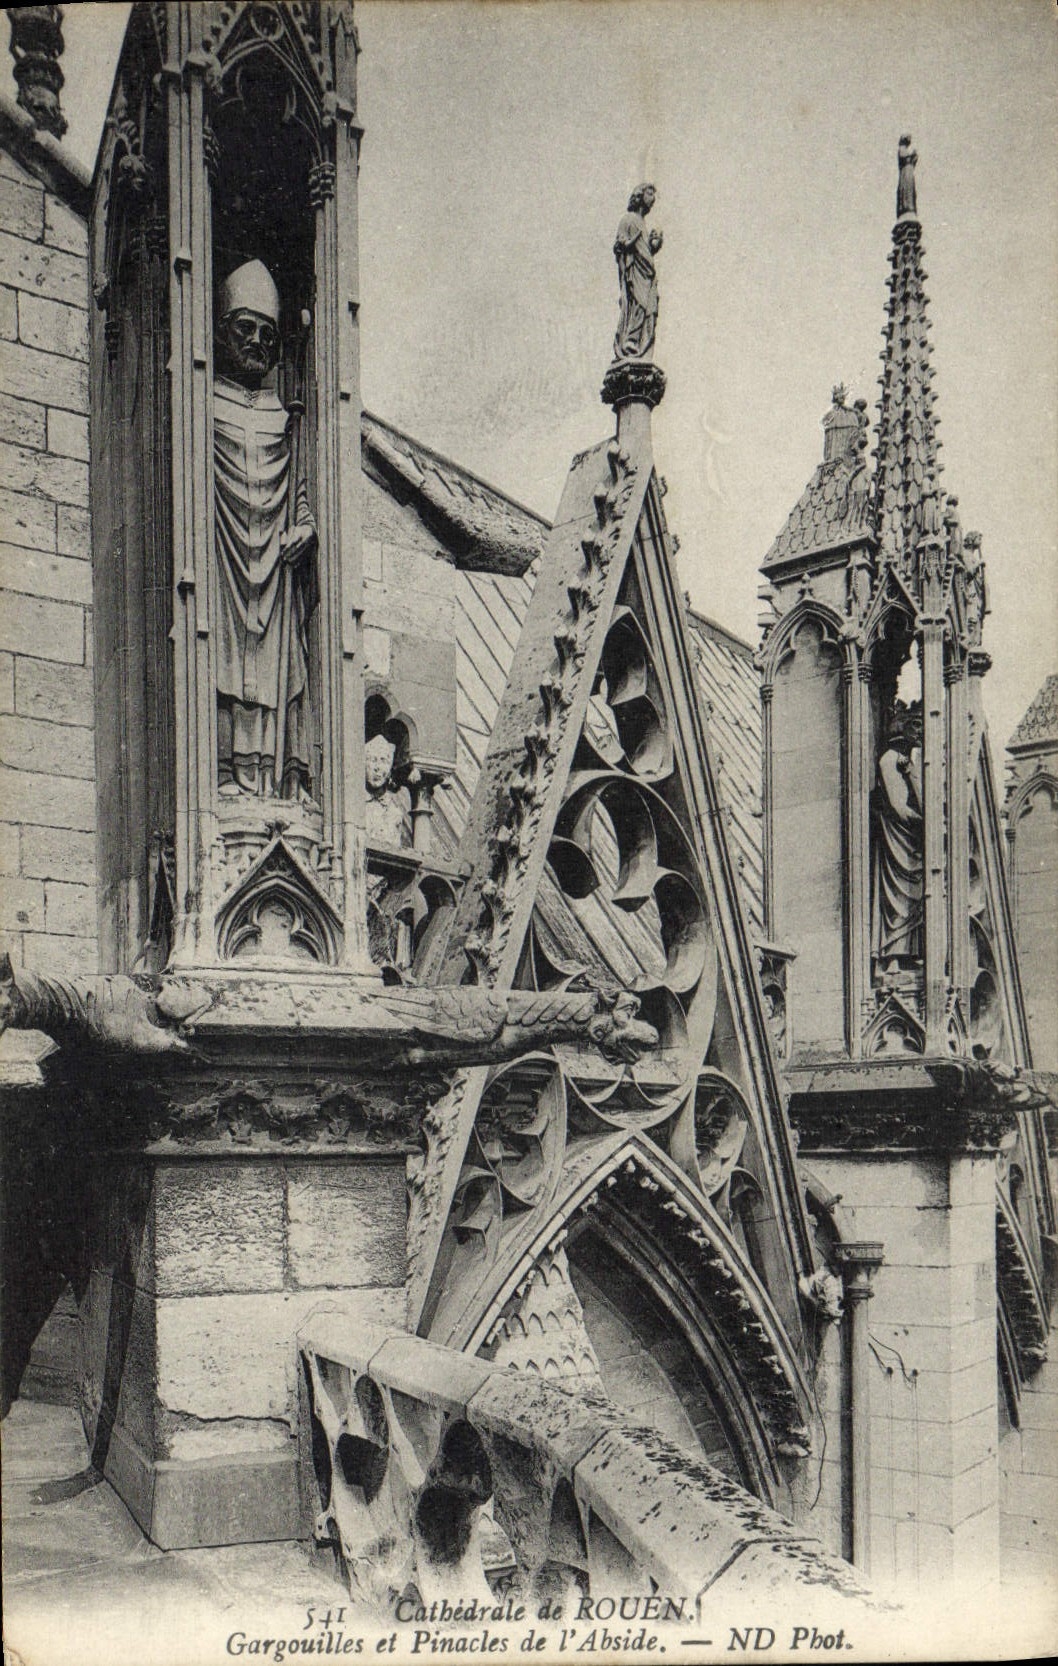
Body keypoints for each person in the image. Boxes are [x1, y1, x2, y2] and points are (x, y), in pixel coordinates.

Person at [213, 259, 316, 800]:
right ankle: (226, 772)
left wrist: (304, 525)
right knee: (225, 660)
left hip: (275, 574)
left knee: (280, 665)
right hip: (224, 565)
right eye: (244, 329)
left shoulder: (284, 414)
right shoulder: (203, 406)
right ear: (220, 332)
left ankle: (278, 777)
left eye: (266, 335)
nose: (255, 342)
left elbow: (299, 490)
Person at [872, 704, 924, 968]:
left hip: (912, 841)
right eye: (916, 724)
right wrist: (924, 822)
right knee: (900, 896)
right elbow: (897, 806)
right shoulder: (889, 760)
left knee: (916, 893)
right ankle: (894, 954)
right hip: (898, 839)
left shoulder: (908, 762)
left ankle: (911, 953)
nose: (921, 730)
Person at [612, 184, 663, 362]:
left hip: (648, 275)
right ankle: (631, 341)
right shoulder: (629, 219)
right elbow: (619, 244)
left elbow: (645, 250)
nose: (653, 198)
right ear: (640, 195)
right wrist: (628, 244)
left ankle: (642, 347)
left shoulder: (642, 223)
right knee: (638, 305)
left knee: (650, 310)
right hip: (635, 272)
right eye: (650, 193)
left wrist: (654, 246)